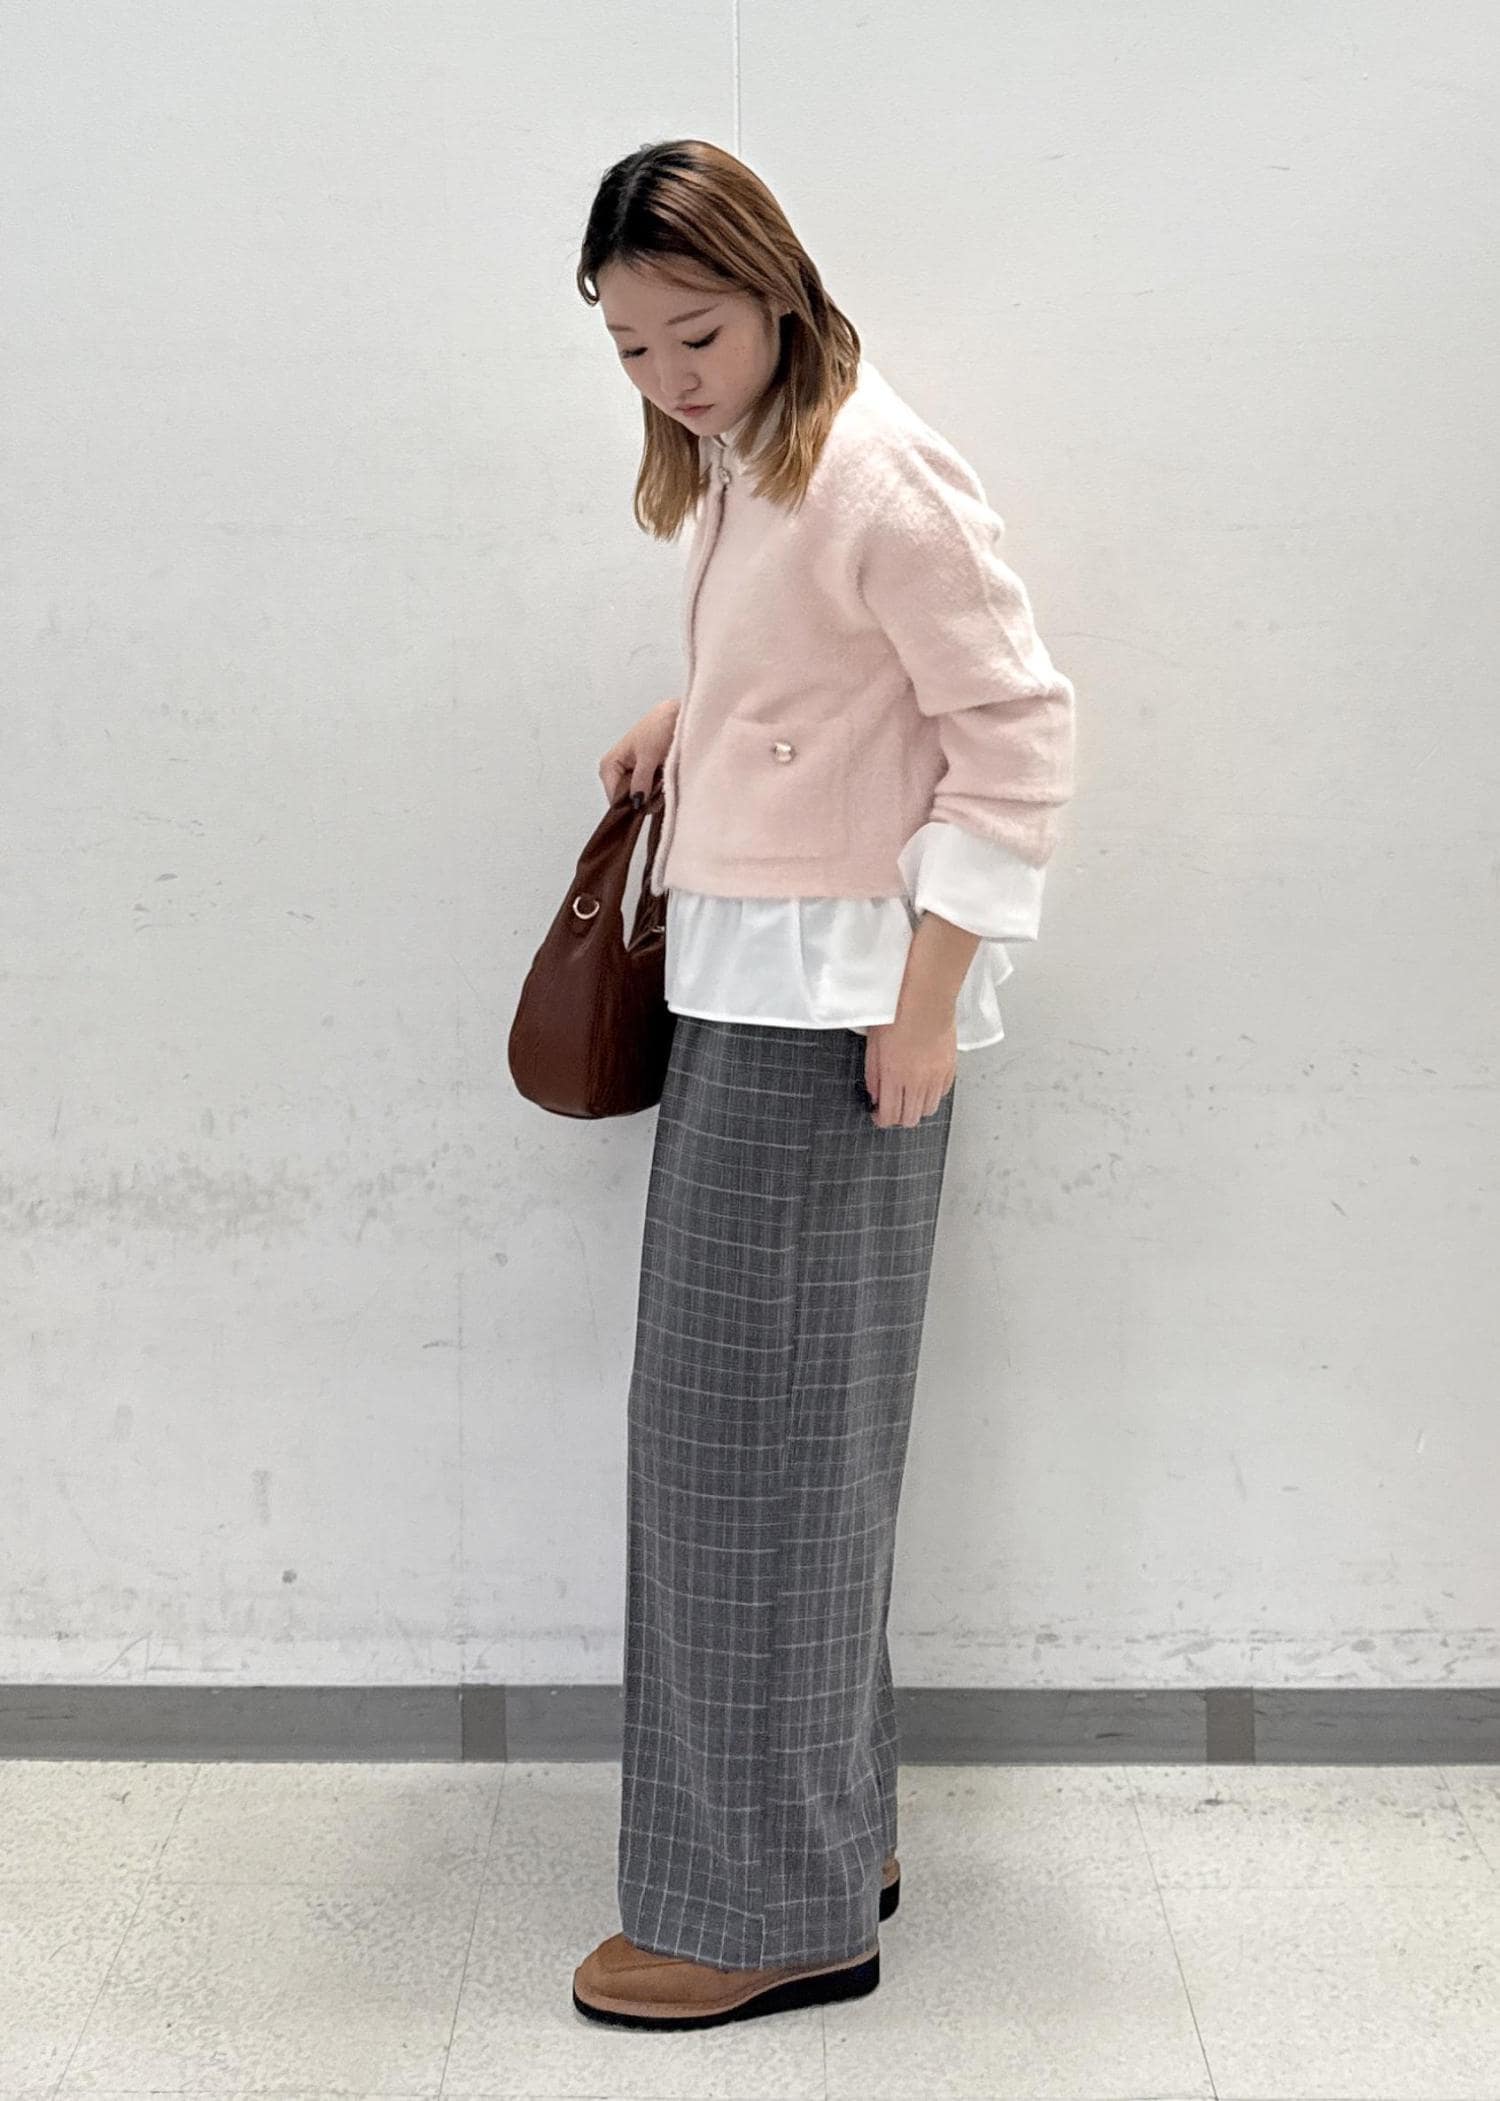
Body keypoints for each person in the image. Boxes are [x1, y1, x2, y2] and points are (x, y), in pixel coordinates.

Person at [569, 138, 1076, 2032]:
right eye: (632, 349)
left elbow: (1015, 737)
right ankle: (822, 1839)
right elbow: (835, 685)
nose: (670, 378)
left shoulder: (877, 466)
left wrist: (929, 1004)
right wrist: (693, 718)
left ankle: (765, 1909)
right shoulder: (761, 460)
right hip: (763, 995)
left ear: (776, 287)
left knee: (749, 1455)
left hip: (840, 1019)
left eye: (694, 334)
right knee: (780, 1445)